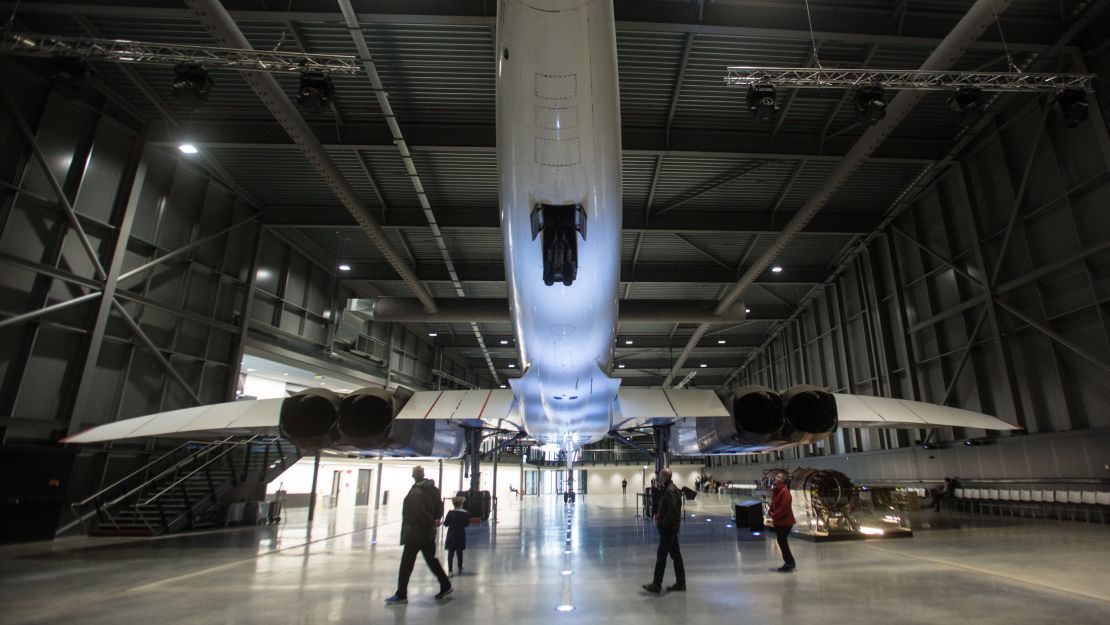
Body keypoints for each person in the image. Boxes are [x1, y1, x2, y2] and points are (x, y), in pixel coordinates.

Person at [385, 466, 453, 604]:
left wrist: (431, 522)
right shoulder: (433, 490)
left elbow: (419, 513)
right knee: (431, 560)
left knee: (406, 564)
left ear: (414, 476)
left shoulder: (416, 492)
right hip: (427, 534)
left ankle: (401, 594)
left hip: (415, 533)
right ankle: (445, 584)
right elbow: (439, 506)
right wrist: (436, 520)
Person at [642, 468, 686, 594]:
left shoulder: (670, 490)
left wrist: (662, 524)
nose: (658, 478)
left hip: (668, 529)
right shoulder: (671, 489)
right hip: (671, 527)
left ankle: (657, 584)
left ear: (665, 477)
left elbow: (672, 511)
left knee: (661, 555)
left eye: (660, 476)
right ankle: (681, 583)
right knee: (676, 556)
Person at [769, 472, 796, 572]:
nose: (776, 478)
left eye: (778, 477)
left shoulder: (785, 492)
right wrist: (770, 510)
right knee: (781, 541)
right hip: (779, 522)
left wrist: (774, 515)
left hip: (785, 522)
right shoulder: (776, 491)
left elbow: (784, 508)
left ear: (783, 481)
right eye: (776, 476)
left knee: (782, 541)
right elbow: (774, 504)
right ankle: (789, 562)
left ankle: (790, 562)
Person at [443, 496, 469, 576]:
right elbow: (466, 524)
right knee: (459, 551)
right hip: (460, 534)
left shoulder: (450, 513)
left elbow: (446, 523)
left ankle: (450, 570)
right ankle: (460, 565)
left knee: (451, 552)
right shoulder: (465, 513)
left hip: (451, 534)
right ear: (461, 504)